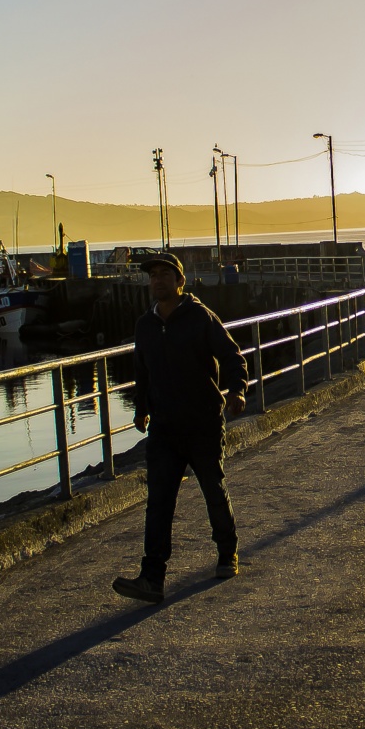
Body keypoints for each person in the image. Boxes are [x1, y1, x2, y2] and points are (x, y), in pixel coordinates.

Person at [112, 252, 249, 604]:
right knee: (158, 502)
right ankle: (152, 578)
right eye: (152, 275)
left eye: (164, 274)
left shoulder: (200, 317)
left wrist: (237, 389)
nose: (157, 280)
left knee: (213, 490)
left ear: (179, 281)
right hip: (164, 427)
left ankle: (226, 552)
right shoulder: (145, 325)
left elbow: (233, 356)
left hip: (202, 420)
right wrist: (141, 409)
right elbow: (142, 371)